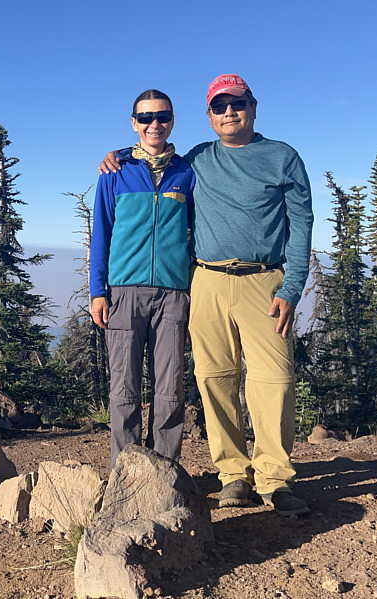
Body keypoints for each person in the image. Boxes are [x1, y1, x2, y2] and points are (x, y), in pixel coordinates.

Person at [100, 74, 313, 516]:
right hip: (206, 280)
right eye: (219, 106)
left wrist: (292, 288)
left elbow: (302, 225)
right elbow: (148, 158)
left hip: (264, 281)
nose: (229, 112)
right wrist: (117, 155)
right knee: (215, 378)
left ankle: (275, 479)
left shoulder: (280, 158)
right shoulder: (196, 159)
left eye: (237, 104)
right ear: (209, 115)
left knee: (274, 380)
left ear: (253, 107)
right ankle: (233, 474)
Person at [90, 89, 195, 468]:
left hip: (173, 293)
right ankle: (126, 472)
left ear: (172, 121)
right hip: (123, 292)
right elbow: (101, 232)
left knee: (170, 389)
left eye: (162, 116)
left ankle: (166, 472)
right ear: (134, 123)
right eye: (146, 117)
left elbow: (196, 232)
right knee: (124, 389)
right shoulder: (115, 172)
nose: (155, 124)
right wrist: (98, 290)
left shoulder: (187, 172)